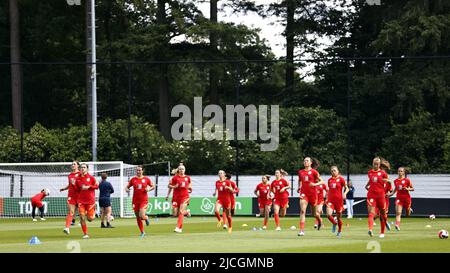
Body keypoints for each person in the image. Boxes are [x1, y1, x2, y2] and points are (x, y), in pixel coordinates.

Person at [297, 157, 325, 236]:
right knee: (302, 211)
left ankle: (319, 221)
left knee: (314, 214)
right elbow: (299, 180)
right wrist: (299, 187)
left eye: (307, 161)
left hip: (313, 195)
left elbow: (322, 181)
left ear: (311, 163)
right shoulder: (300, 172)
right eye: (304, 161)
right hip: (304, 194)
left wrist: (315, 184)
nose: (305, 162)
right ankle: (301, 230)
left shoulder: (314, 172)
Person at [365, 157, 390, 238]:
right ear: (372, 164)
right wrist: (367, 185)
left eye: (377, 164)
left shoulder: (383, 173)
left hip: (381, 196)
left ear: (379, 165)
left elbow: (388, 181)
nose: (375, 165)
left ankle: (382, 232)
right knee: (371, 213)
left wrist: (388, 182)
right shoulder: (369, 172)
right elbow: (371, 180)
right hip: (371, 196)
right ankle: (370, 230)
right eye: (374, 164)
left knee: (383, 214)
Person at [126, 165, 154, 238]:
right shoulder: (133, 179)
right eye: (137, 170)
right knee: (138, 217)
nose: (138, 171)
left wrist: (148, 189)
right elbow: (127, 187)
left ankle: (146, 218)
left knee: (141, 216)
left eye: (140, 170)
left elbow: (153, 186)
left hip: (143, 200)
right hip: (135, 201)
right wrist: (126, 189)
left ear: (142, 171)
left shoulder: (146, 179)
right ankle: (142, 232)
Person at [75, 163, 99, 239]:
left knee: (90, 219)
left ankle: (95, 213)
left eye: (84, 167)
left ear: (87, 169)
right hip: (81, 201)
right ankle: (85, 234)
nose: (82, 169)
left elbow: (97, 186)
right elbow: (76, 189)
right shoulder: (77, 179)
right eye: (81, 167)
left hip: (90, 201)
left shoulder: (91, 178)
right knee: (82, 217)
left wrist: (89, 187)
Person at [167, 164, 192, 233]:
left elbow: (190, 185)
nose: (181, 170)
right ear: (178, 170)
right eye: (180, 169)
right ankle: (187, 212)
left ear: (185, 170)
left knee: (181, 211)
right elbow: (168, 185)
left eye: (183, 169)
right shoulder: (175, 178)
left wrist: (190, 189)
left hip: (185, 197)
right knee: (175, 214)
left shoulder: (187, 178)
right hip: (176, 197)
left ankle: (178, 227)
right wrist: (174, 187)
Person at [326, 166, 349, 237]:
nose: (333, 172)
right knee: (328, 214)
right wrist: (327, 197)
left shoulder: (341, 179)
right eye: (332, 171)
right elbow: (329, 190)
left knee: (339, 218)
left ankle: (339, 231)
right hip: (330, 200)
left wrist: (344, 193)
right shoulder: (329, 180)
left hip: (339, 201)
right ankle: (334, 223)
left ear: (338, 171)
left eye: (334, 170)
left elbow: (347, 188)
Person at [60, 161, 80, 235]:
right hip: (71, 196)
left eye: (74, 164)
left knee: (83, 213)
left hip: (79, 196)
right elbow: (70, 185)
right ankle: (67, 228)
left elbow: (81, 185)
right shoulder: (70, 175)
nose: (73, 165)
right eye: (72, 164)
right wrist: (64, 189)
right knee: (71, 211)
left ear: (78, 166)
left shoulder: (80, 174)